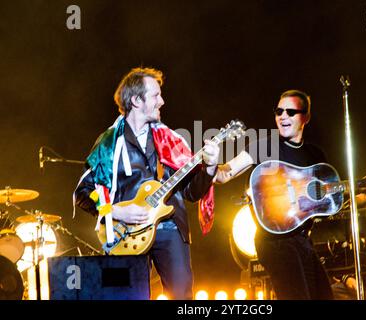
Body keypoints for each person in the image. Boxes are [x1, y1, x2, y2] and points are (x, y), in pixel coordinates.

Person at [74, 67, 220, 300]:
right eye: (155, 96)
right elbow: (83, 193)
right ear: (136, 100)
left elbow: (192, 192)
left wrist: (210, 167)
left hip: (170, 228)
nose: (162, 101)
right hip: (126, 234)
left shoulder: (171, 141)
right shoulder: (108, 143)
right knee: (128, 297)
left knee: (182, 297)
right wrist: (115, 210)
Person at [215, 89, 337, 299]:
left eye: (291, 112)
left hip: (304, 240)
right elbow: (224, 174)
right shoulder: (264, 146)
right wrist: (210, 163)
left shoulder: (315, 155)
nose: (283, 116)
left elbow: (329, 201)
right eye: (279, 111)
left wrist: (359, 192)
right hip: (274, 240)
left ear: (305, 117)